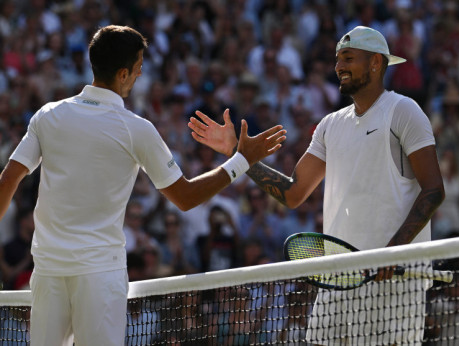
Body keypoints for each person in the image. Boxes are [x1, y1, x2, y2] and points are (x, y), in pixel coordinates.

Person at [0, 25, 286, 346]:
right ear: (123, 74)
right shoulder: (138, 129)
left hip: (49, 270)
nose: (139, 74)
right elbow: (186, 197)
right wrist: (241, 160)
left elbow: (8, 179)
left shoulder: (47, 115)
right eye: (137, 67)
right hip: (99, 275)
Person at [188, 25, 445, 345]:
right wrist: (238, 157)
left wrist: (393, 252)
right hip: (339, 279)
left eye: (348, 58)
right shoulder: (329, 125)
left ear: (376, 63)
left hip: (393, 283)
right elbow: (294, 193)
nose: (338, 66)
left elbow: (434, 189)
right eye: (338, 59)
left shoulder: (404, 111)